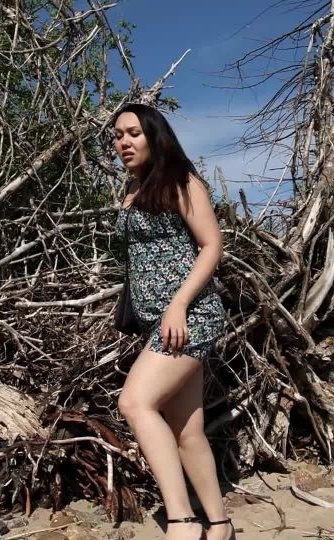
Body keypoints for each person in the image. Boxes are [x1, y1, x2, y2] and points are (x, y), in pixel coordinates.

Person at [111, 103, 235, 540]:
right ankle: (220, 525)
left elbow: (211, 245)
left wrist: (178, 304)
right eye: (118, 136)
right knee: (187, 431)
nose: (124, 142)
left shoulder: (181, 180)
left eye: (133, 133)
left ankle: (182, 520)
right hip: (158, 323)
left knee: (134, 403)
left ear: (154, 135)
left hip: (189, 316)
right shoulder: (132, 190)